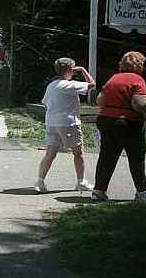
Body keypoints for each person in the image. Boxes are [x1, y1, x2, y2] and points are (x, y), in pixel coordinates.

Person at [91, 51, 146, 202]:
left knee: (106, 157)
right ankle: (142, 193)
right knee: (136, 158)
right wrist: (142, 111)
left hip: (105, 121)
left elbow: (100, 101)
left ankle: (98, 191)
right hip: (128, 123)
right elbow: (143, 104)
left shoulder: (113, 79)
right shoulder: (137, 79)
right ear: (140, 66)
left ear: (121, 65)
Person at [34, 58, 96, 193]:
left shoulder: (51, 85)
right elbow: (92, 84)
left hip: (51, 122)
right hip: (69, 123)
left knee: (50, 153)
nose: (73, 73)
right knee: (78, 153)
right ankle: (81, 181)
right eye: (73, 70)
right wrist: (83, 70)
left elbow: (45, 103)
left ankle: (40, 181)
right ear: (69, 70)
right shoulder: (69, 85)